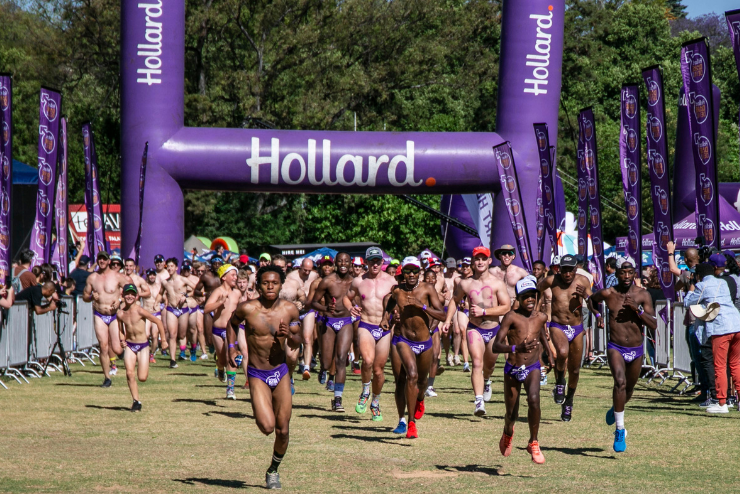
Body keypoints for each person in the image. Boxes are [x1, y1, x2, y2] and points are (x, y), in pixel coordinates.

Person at [226, 265, 301, 490]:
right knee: (267, 427)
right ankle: (261, 409)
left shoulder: (290, 310)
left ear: (281, 285)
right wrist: (231, 348)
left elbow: (298, 342)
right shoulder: (247, 308)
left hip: (281, 371)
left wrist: (291, 336)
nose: (270, 286)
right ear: (258, 285)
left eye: (275, 283)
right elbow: (231, 323)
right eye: (266, 283)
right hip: (257, 373)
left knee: (283, 430)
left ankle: (273, 471)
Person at [589, 257, 656, 451]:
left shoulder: (643, 295)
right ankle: (620, 430)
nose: (626, 276)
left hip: (636, 349)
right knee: (620, 382)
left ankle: (616, 408)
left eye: (630, 272)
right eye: (622, 272)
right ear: (616, 273)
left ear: (634, 273)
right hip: (615, 346)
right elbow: (591, 301)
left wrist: (638, 311)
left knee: (628, 390)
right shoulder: (608, 293)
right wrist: (599, 315)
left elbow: (653, 324)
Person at [381, 257, 446, 438]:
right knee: (411, 375)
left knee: (422, 382)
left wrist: (422, 306)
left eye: (415, 271)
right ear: (403, 272)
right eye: (408, 271)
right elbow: (390, 303)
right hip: (403, 340)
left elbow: (441, 314)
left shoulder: (427, 288)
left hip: (424, 342)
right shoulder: (397, 291)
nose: (411, 274)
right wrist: (385, 318)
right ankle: (410, 422)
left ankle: (420, 398)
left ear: (420, 272)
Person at [442, 247, 510, 416]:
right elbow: (454, 301)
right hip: (475, 329)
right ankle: (479, 401)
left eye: (483, 258)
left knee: (490, 365)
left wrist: (485, 312)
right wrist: (447, 320)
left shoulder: (497, 283)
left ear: (489, 261)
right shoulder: (465, 283)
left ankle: (487, 380)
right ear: (473, 262)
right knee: (477, 363)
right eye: (477, 259)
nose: (480, 262)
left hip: (494, 329)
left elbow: (506, 307)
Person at [492, 277, 553, 464]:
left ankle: (533, 442)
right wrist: (515, 349)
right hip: (513, 368)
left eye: (532, 296)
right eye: (525, 297)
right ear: (518, 298)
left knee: (534, 400)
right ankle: (508, 432)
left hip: (533, 367)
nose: (530, 300)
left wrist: (549, 354)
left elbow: (540, 332)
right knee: (512, 413)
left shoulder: (541, 316)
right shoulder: (511, 317)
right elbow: (496, 345)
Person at [536, 254, 593, 421]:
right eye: (564, 270)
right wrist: (536, 312)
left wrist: (586, 296)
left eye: (570, 270)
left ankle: (569, 400)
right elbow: (537, 290)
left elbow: (592, 302)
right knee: (561, 353)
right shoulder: (551, 281)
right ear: (559, 269)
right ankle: (560, 381)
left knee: (575, 369)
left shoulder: (582, 281)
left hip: (576, 327)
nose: (567, 274)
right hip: (558, 325)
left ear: (576, 269)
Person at [345, 246, 397, 420]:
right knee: (366, 361)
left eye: (378, 261)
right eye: (371, 261)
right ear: (366, 262)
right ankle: (365, 391)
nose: (375, 264)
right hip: (366, 325)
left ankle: (375, 402)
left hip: (384, 328)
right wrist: (351, 308)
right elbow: (347, 297)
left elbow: (399, 301)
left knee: (379, 370)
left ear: (382, 262)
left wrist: (396, 313)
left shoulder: (391, 281)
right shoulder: (359, 281)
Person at [684, 262, 740, 414]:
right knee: (735, 364)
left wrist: (691, 288)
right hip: (736, 323)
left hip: (721, 328)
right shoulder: (722, 282)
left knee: (720, 365)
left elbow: (687, 302)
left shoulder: (701, 285)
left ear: (699, 275)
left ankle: (721, 403)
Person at [310, 252, 356, 411]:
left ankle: (337, 399)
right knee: (327, 361)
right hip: (329, 322)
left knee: (341, 359)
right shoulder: (327, 281)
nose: (343, 264)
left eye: (346, 261)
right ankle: (323, 368)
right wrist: (325, 308)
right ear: (336, 263)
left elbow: (359, 300)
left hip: (346, 322)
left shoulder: (354, 282)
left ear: (351, 263)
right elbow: (313, 302)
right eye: (340, 261)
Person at [83, 251, 133, 387]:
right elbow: (85, 296)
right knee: (103, 346)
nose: (102, 261)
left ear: (109, 261)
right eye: (100, 259)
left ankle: (126, 357)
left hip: (114, 315)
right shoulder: (92, 278)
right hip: (99, 314)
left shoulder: (117, 277)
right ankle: (107, 378)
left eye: (104, 259)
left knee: (117, 348)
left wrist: (120, 299)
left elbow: (132, 290)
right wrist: (91, 297)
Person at [666, 242, 707, 402]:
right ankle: (703, 387)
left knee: (697, 356)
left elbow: (672, 270)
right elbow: (678, 286)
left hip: (693, 320)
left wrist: (670, 253)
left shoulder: (690, 273)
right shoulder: (705, 272)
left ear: (686, 259)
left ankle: (704, 390)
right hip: (706, 318)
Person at [117, 283, 165, 412]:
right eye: (127, 294)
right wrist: (122, 340)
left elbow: (158, 321)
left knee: (142, 378)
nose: (130, 296)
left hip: (143, 345)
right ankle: (136, 401)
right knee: (129, 373)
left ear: (137, 296)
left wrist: (164, 340)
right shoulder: (120, 314)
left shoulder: (140, 310)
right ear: (123, 295)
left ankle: (137, 399)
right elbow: (121, 330)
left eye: (132, 294)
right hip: (130, 346)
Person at [204, 264, 241, 398]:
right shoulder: (218, 292)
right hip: (217, 330)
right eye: (233, 275)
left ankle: (230, 389)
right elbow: (206, 309)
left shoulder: (237, 293)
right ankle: (220, 368)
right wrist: (219, 303)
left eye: (236, 275)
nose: (235, 278)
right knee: (222, 360)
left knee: (231, 357)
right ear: (224, 277)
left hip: (232, 329)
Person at [286, 258, 318, 379]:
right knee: (295, 340)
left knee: (307, 338)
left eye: (309, 270)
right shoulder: (291, 277)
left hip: (308, 310)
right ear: (300, 267)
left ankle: (307, 367)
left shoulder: (314, 276)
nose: (307, 273)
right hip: (294, 312)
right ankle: (293, 364)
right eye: (305, 270)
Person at [162, 258, 197, 368]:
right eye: (168, 266)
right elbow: (160, 293)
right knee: (172, 335)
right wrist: (157, 302)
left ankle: (189, 350)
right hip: (171, 309)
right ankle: (172, 360)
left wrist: (186, 296)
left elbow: (196, 289)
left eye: (172, 266)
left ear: (176, 268)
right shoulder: (165, 282)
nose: (170, 268)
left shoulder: (183, 280)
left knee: (182, 335)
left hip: (183, 309)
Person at [141, 268, 164, 363]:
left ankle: (152, 354)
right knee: (146, 335)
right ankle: (144, 353)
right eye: (150, 274)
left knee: (155, 335)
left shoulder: (159, 286)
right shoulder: (144, 286)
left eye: (153, 275)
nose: (152, 276)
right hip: (147, 313)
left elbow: (164, 296)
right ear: (147, 275)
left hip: (156, 313)